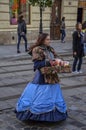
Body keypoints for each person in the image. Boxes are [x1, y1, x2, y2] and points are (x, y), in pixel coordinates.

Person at [15, 33, 67, 122]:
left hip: (52, 77)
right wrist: (51, 62)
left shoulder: (50, 49)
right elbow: (37, 65)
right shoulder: (37, 50)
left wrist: (60, 61)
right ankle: (37, 116)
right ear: (42, 40)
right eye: (47, 39)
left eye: (49, 39)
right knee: (38, 97)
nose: (49, 40)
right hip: (41, 78)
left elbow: (56, 57)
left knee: (54, 97)